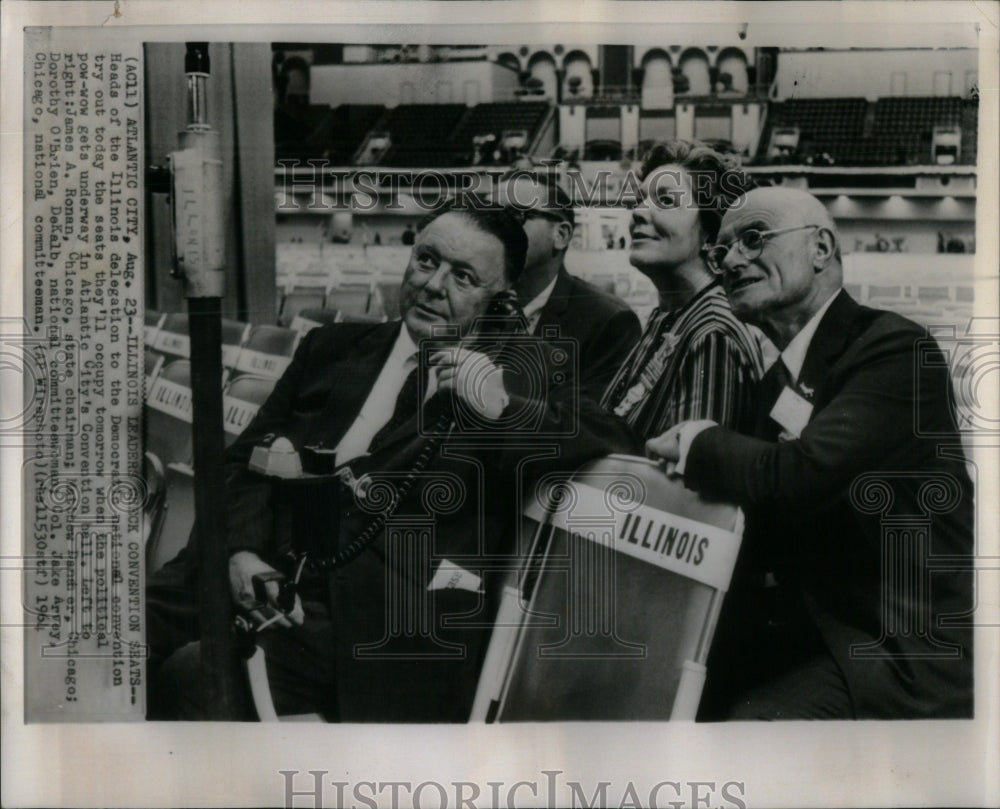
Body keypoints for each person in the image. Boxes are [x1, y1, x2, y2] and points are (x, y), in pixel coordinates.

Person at [152, 200, 635, 721]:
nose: (433, 285)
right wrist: (241, 553)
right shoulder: (331, 348)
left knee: (194, 677)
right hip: (252, 568)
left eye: (464, 277)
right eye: (427, 261)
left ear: (501, 301)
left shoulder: (515, 381)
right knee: (116, 635)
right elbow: (240, 465)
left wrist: (500, 405)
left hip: (370, 613)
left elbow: (615, 437)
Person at [646, 186, 974, 719]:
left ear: (821, 249)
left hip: (891, 650)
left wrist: (697, 441)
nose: (731, 259)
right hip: (811, 633)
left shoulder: (895, 350)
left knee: (749, 733)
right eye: (720, 250)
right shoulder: (778, 381)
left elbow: (798, 476)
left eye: (753, 238)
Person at [602, 140, 764, 439]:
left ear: (710, 233)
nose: (638, 212)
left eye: (665, 201)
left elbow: (687, 478)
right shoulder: (670, 317)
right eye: (639, 200)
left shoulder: (713, 334)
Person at [496, 171, 641, 395]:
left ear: (561, 235)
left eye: (514, 215)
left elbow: (591, 425)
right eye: (488, 217)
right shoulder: (472, 302)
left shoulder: (609, 322)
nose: (492, 230)